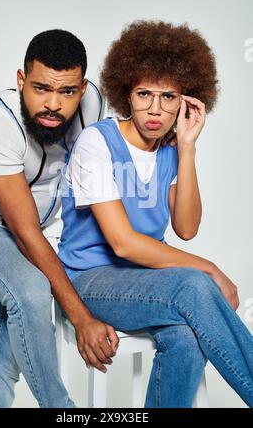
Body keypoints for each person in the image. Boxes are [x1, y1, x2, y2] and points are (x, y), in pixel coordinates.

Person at [58, 21, 253, 408]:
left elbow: (186, 228)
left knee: (185, 335)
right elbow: (123, 244)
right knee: (195, 285)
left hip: (147, 283)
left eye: (168, 97)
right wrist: (209, 268)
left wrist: (187, 149)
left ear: (186, 100)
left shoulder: (169, 150)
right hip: (90, 281)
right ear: (126, 92)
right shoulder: (97, 142)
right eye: (144, 94)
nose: (155, 109)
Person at [0, 29, 120, 408]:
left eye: (67, 92)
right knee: (30, 292)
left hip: (43, 230)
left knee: (3, 355)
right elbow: (24, 231)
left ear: (82, 87)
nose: (53, 105)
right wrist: (81, 319)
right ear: (21, 80)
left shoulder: (93, 101)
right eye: (41, 88)